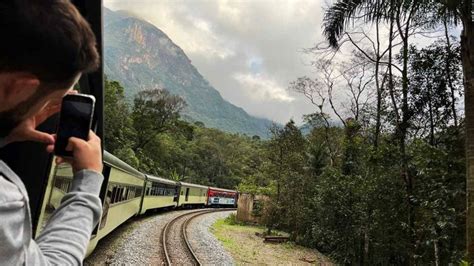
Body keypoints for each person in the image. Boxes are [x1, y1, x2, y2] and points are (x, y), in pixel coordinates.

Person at [0, 0, 103, 264]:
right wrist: (88, 181)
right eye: (47, 100)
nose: (43, 110)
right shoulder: (4, 201)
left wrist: (7, 133)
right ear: (17, 88)